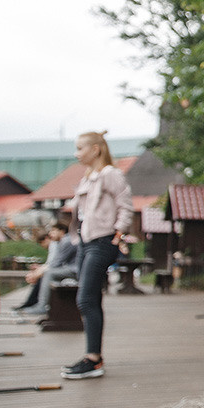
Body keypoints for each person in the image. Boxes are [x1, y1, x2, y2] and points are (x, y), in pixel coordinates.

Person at [62, 131, 133, 379]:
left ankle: (93, 359)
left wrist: (118, 233)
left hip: (102, 242)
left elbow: (125, 205)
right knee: (90, 298)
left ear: (96, 149)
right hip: (85, 242)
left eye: (80, 148)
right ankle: (93, 357)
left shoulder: (111, 175)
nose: (76, 153)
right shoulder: (88, 177)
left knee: (85, 299)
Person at [16, 221, 79, 315]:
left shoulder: (66, 240)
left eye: (53, 230)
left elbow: (56, 264)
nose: (50, 234)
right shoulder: (64, 241)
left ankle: (42, 306)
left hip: (75, 270)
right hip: (73, 269)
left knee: (48, 274)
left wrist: (37, 274)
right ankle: (48, 305)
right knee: (48, 274)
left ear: (61, 231)